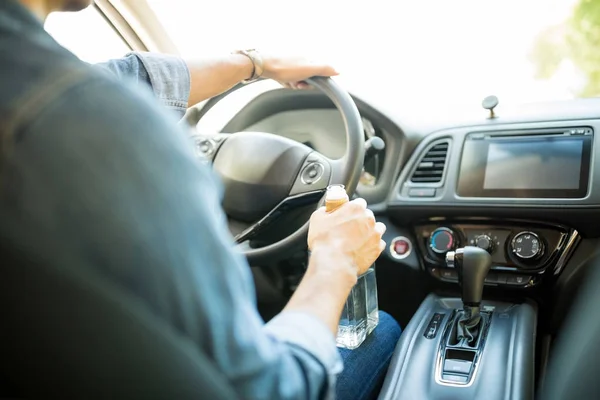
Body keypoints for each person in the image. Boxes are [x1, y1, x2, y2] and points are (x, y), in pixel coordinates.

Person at [0, 1, 401, 399]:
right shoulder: (104, 126)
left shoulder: (35, 89)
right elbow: (267, 390)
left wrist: (254, 64)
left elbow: (131, 78)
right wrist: (335, 262)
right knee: (380, 329)